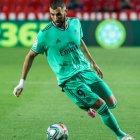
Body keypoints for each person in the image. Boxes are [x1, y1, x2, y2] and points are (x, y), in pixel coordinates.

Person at [13, 0, 135, 139]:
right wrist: (22, 82)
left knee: (112, 102)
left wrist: (93, 63)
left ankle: (84, 104)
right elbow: (30, 56)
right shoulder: (44, 35)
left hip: (84, 70)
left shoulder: (75, 23)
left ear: (65, 12)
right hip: (68, 78)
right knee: (102, 107)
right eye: (52, 15)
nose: (55, 18)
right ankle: (122, 136)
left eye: (58, 14)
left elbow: (80, 41)